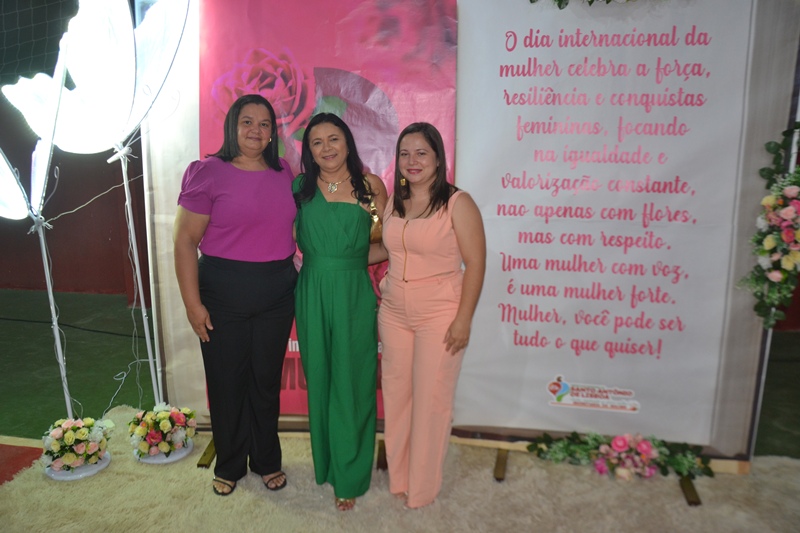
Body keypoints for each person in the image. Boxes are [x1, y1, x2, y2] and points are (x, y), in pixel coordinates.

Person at [173, 94, 297, 496]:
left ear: (272, 132)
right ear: (232, 126)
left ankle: (266, 460)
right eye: (247, 122)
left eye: (264, 124)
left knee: (265, 382)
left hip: (277, 292)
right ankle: (229, 463)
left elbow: (323, 193)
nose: (256, 130)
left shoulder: (283, 172)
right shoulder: (208, 172)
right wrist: (193, 305)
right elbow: (184, 241)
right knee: (227, 383)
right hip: (223, 291)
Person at [376, 122, 486, 509]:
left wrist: (463, 320)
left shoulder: (458, 203)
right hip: (393, 310)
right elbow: (391, 249)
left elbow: (475, 263)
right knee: (397, 396)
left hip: (439, 313)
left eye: (421, 152)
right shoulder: (396, 200)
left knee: (431, 401)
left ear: (439, 158)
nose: (413, 161)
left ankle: (422, 490)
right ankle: (400, 479)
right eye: (405, 153)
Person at [292, 113, 388, 511]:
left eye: (334, 139)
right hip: (311, 290)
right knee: (320, 378)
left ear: (348, 142)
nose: (326, 148)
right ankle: (327, 463)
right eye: (317, 142)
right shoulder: (299, 188)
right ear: (309, 151)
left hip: (353, 292)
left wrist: (347, 261)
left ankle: (349, 475)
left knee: (353, 381)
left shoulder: (371, 186)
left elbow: (389, 243)